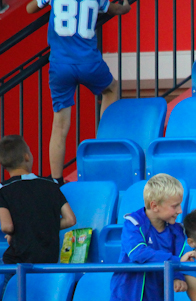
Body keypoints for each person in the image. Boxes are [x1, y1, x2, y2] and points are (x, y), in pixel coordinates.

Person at [26, 0, 130, 185]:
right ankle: (103, 143)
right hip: (89, 62)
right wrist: (125, 7)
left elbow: (29, 9)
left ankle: (56, 180)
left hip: (60, 66)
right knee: (111, 88)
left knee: (59, 126)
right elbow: (116, 9)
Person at [0, 135, 77, 266]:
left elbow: (7, 227)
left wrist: (18, 232)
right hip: (48, 262)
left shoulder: (1, 189)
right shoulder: (51, 184)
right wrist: (43, 227)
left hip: (17, 263)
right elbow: (70, 219)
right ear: (27, 156)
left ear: (4, 165)